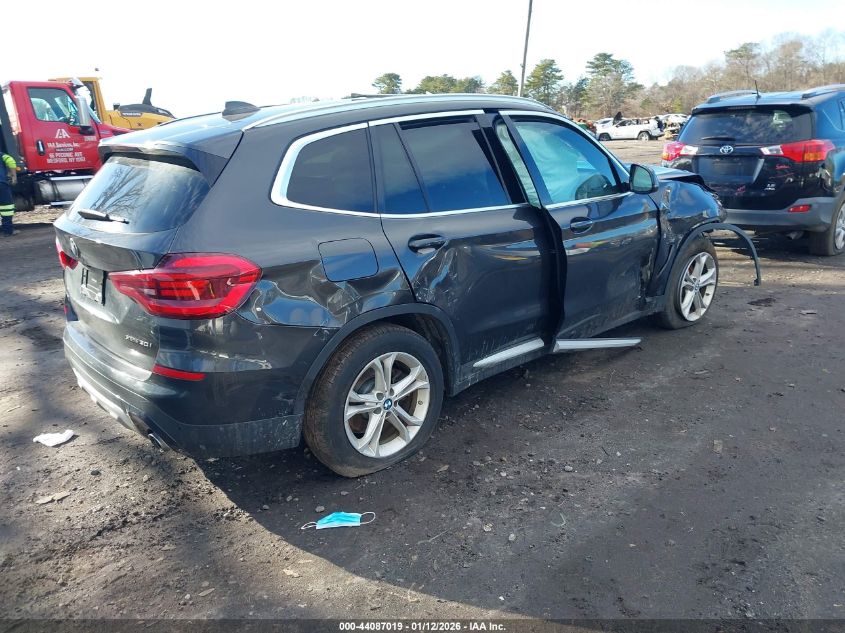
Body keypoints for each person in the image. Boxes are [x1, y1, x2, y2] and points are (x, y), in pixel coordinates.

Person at [0, 152, 17, 236]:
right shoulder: (1, 155)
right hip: (1, 184)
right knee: (6, 207)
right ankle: (7, 231)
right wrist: (13, 175)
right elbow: (10, 161)